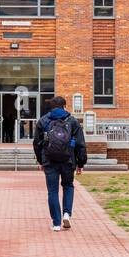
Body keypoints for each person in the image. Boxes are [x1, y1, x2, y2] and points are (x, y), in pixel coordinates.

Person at [32, 95, 87, 231]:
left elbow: (36, 143)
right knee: (68, 186)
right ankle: (66, 214)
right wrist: (81, 163)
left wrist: (40, 160)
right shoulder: (73, 121)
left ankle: (56, 223)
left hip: (50, 161)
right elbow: (81, 144)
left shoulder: (43, 121)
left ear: (51, 107)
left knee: (52, 191)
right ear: (64, 106)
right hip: (68, 160)